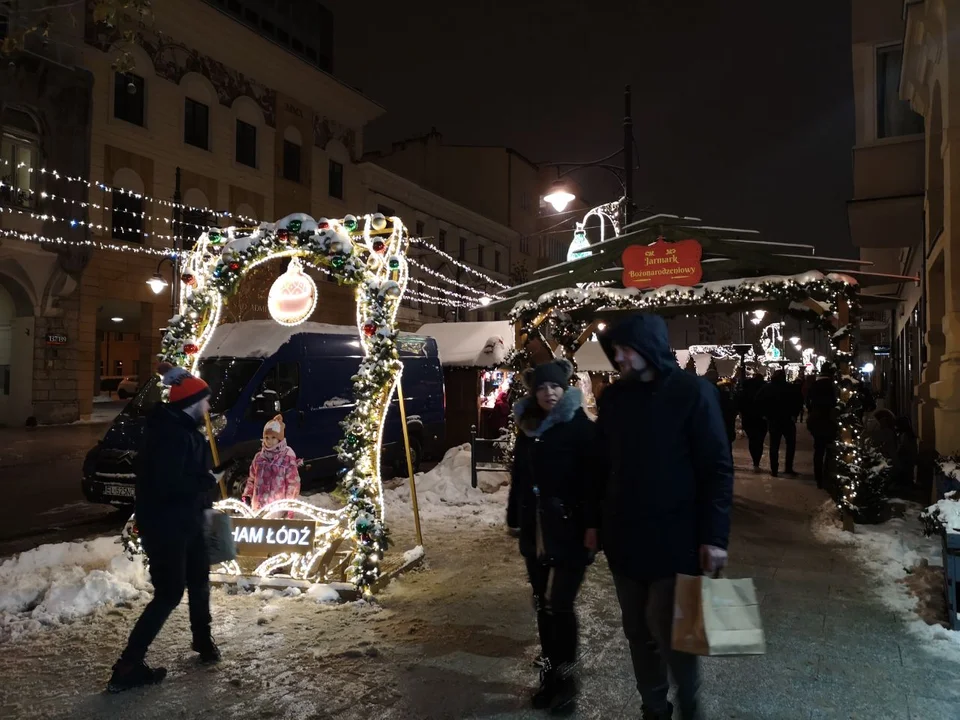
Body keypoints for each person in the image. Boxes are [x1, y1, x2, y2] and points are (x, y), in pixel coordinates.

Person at [587, 314, 734, 720]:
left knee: (676, 633)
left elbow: (717, 469)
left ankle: (690, 704)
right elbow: (600, 464)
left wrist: (715, 537)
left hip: (678, 538)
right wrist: (593, 522)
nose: (618, 356)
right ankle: (654, 706)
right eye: (615, 349)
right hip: (625, 538)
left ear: (648, 347)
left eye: (625, 348)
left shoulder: (693, 393)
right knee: (638, 630)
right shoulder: (616, 399)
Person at [108, 365, 221, 693]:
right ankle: (128, 665)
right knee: (169, 593)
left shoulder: (184, 431)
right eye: (206, 402)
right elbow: (169, 483)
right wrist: (206, 480)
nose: (209, 408)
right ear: (192, 403)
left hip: (189, 522)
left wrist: (205, 502)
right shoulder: (170, 434)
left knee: (200, 581)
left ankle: (203, 641)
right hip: (168, 527)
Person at [507, 359, 596, 712]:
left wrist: (592, 525)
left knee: (559, 604)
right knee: (543, 605)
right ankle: (549, 677)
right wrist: (514, 516)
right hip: (536, 529)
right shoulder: (527, 426)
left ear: (565, 386)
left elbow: (593, 482)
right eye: (542, 387)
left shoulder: (580, 427)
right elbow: (519, 477)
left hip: (570, 529)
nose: (549, 393)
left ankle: (567, 679)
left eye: (555, 386)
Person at [243, 414, 301, 516]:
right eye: (267, 437)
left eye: (273, 437)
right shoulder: (259, 458)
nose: (269, 441)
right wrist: (247, 495)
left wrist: (289, 506)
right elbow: (251, 479)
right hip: (258, 508)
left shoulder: (287, 459)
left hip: (277, 509)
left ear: (279, 439)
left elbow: (293, 484)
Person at [757, 370, 803, 477]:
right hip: (787, 418)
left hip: (774, 419)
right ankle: (788, 467)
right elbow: (799, 400)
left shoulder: (768, 388)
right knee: (790, 444)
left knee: (774, 445)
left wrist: (765, 414)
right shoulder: (790, 388)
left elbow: (758, 400)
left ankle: (774, 469)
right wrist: (794, 414)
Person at [806, 363, 838, 489]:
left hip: (816, 421)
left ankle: (818, 477)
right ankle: (827, 476)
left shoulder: (814, 385)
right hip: (829, 421)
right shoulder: (832, 386)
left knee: (818, 450)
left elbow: (808, 402)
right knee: (830, 450)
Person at [738, 367, 768, 471]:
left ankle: (755, 460)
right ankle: (757, 461)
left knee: (752, 439)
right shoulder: (764, 389)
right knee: (759, 440)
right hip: (761, 418)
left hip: (748, 417)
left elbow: (740, 404)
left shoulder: (745, 390)